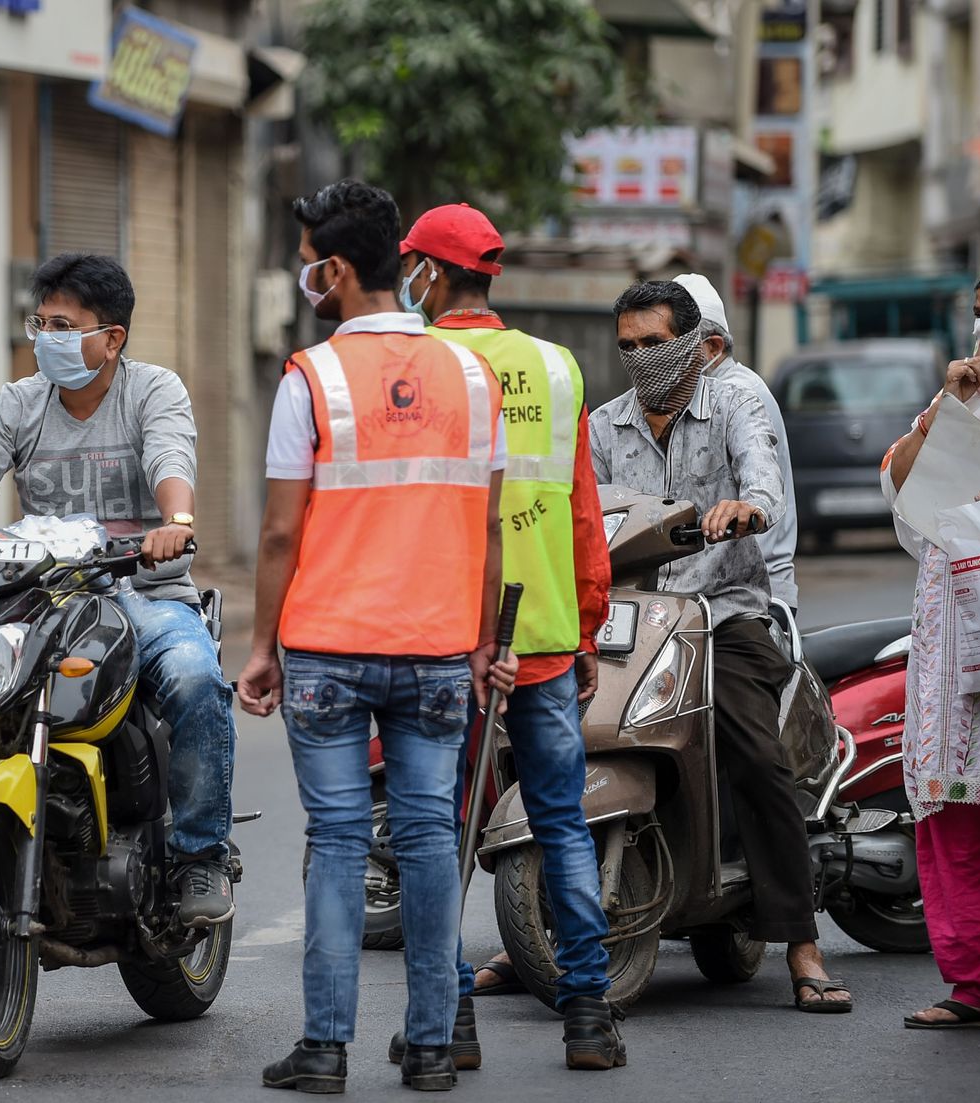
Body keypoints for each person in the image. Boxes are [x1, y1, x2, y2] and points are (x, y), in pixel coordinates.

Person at [0, 253, 236, 1045]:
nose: (45, 338)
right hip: (45, 600)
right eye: (41, 324)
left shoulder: (153, 391)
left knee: (195, 678)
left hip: (143, 593)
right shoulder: (20, 402)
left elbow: (172, 464)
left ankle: (198, 856)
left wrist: (176, 522)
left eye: (64, 326)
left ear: (112, 338)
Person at [240, 181, 515, 1094]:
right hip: (438, 649)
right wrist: (482, 641)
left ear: (340, 269)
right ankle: (433, 1046)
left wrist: (261, 647)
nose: (305, 273)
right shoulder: (474, 377)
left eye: (311, 257)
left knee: (339, 840)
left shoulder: (310, 377)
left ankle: (324, 1047)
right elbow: (488, 525)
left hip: (326, 648)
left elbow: (280, 532)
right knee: (433, 835)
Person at [396, 203, 624, 1071]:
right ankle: (589, 1020)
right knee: (562, 822)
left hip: (443, 638)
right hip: (544, 640)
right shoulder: (555, 368)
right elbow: (582, 515)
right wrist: (589, 625)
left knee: (436, 828)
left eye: (409, 264)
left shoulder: (417, 366)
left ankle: (450, 1020)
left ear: (428, 270)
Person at [589, 280, 852, 1013]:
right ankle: (556, 936)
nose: (640, 358)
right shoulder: (603, 428)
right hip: (629, 621)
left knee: (757, 755)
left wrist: (750, 504)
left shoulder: (735, 401)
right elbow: (579, 516)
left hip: (724, 613)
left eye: (655, 343)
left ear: (696, 343)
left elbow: (762, 470)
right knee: (559, 737)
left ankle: (800, 940)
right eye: (628, 346)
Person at [878, 274, 980, 1029]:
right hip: (956, 644)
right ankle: (972, 980)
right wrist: (949, 408)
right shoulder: (954, 408)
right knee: (951, 807)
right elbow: (899, 483)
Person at [672, 273, 798, 611]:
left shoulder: (740, 395)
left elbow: (760, 490)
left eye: (678, 345)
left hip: (756, 596)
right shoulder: (693, 399)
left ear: (712, 346)